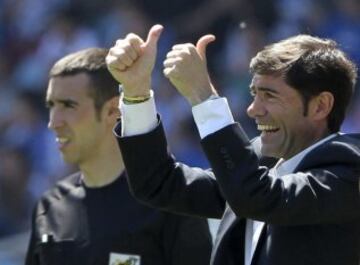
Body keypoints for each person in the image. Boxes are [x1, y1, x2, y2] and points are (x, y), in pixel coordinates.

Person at [106, 25, 360, 265]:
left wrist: (203, 96)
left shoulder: (348, 171)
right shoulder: (259, 168)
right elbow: (158, 183)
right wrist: (135, 92)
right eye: (254, 94)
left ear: (320, 106)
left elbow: (255, 196)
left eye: (269, 96)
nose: (253, 110)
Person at [25, 48, 213, 265]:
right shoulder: (48, 208)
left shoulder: (171, 202)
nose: (53, 122)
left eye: (69, 105)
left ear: (113, 110)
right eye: (51, 106)